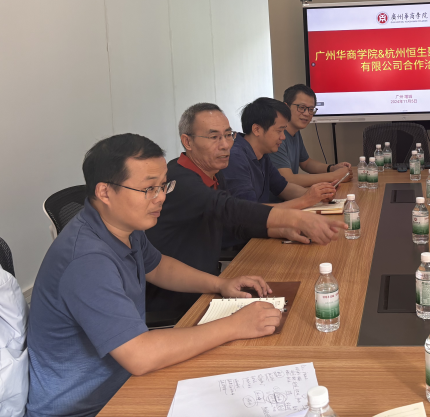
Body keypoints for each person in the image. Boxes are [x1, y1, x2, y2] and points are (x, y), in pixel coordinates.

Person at [26, 134, 282, 417]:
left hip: (123, 380)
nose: (161, 197)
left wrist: (221, 284)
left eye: (163, 186)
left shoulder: (123, 226)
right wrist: (234, 325)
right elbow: (140, 355)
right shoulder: (87, 261)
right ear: (105, 193)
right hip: (88, 407)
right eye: (149, 188)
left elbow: (158, 267)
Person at [146, 103, 345, 317]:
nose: (226, 145)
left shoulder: (214, 172)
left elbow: (231, 223)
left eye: (228, 135)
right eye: (214, 137)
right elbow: (232, 209)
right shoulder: (180, 180)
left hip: (209, 285)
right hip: (177, 302)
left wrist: (279, 230)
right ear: (188, 142)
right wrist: (297, 218)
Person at [223, 97, 337, 207]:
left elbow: (284, 188)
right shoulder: (235, 157)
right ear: (257, 129)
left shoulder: (263, 155)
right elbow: (249, 210)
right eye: (279, 131)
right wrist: (305, 200)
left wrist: (317, 195)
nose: (283, 137)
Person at [270, 84, 352, 187]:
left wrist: (332, 168)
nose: (307, 114)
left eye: (311, 109)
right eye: (302, 107)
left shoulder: (295, 132)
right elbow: (287, 179)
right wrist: (334, 176)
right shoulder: (276, 137)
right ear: (286, 107)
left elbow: (306, 163)